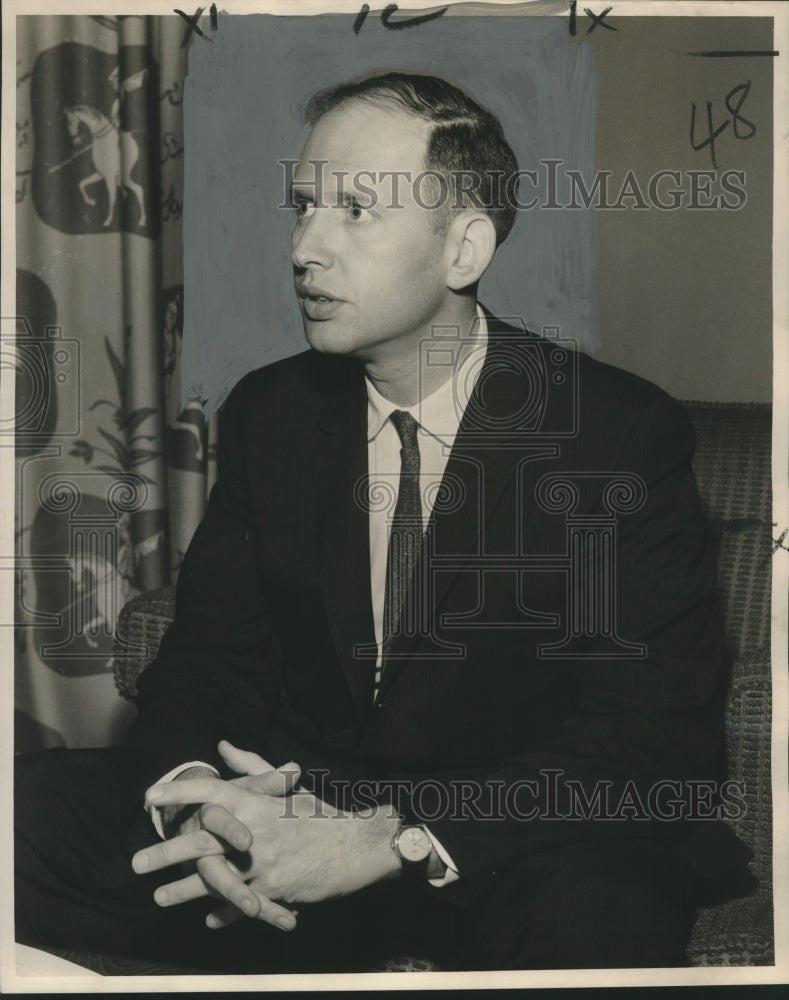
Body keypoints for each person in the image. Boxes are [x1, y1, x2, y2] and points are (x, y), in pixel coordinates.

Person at [15, 72, 753, 974]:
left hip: (511, 841)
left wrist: (395, 838)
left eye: (354, 210)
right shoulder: (270, 412)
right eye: (302, 206)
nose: (304, 247)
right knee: (29, 813)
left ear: (463, 248)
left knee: (595, 910)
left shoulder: (615, 433)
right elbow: (211, 658)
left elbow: (651, 740)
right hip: (294, 809)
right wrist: (197, 794)